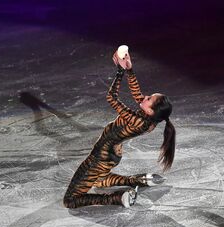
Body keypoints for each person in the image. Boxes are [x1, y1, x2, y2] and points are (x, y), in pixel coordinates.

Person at [63, 48, 175, 209]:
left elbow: (111, 97)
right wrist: (129, 69)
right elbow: (137, 94)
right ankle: (136, 180)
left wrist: (120, 72)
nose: (145, 97)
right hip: (110, 154)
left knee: (70, 200)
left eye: (149, 98)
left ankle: (116, 198)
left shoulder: (138, 120)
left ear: (150, 110)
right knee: (99, 181)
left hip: (101, 156)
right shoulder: (149, 119)